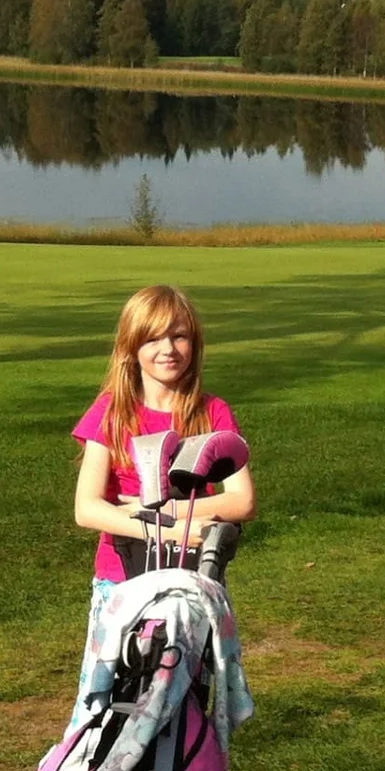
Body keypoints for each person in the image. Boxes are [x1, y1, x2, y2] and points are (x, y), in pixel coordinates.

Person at [70, 286, 252, 702]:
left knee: (183, 701)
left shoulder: (212, 412)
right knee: (107, 702)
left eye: (179, 336)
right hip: (122, 583)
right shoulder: (111, 411)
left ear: (195, 343)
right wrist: (165, 528)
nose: (168, 349)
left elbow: (242, 500)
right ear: (131, 347)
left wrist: (164, 509)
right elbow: (87, 508)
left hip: (193, 581)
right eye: (152, 338)